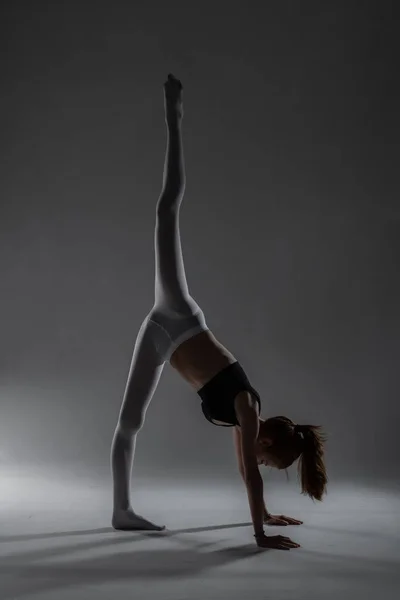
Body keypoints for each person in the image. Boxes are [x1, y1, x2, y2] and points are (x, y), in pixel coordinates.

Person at [110, 74, 328, 550]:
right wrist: (260, 535)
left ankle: (119, 511)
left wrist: (266, 515)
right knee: (166, 211)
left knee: (130, 423)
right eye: (272, 464)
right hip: (180, 318)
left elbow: (243, 470)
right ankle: (174, 115)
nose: (264, 467)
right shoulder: (248, 407)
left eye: (271, 470)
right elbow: (250, 475)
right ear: (267, 443)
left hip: (158, 339)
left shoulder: (245, 421)